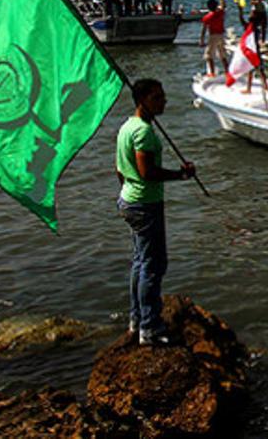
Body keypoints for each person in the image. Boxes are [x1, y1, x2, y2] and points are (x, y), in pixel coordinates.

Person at [116, 79, 195, 346]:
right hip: (144, 205)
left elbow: (119, 171)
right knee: (153, 265)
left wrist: (130, 190)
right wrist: (181, 175)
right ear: (143, 101)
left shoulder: (127, 127)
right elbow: (147, 173)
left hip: (129, 200)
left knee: (140, 262)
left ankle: (136, 319)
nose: (164, 101)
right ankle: (149, 327)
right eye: (157, 98)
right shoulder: (143, 133)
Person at [199, 0, 228, 78]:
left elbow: (204, 30)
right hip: (221, 35)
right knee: (223, 55)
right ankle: (227, 72)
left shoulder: (207, 17)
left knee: (209, 55)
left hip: (213, 36)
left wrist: (201, 40)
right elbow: (224, 6)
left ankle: (212, 73)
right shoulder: (221, 13)